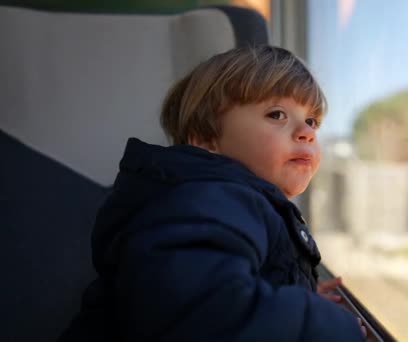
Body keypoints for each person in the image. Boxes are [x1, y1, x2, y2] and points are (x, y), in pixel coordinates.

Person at [59, 46, 366, 341]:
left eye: (312, 121)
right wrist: (326, 325)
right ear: (206, 139)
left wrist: (297, 291)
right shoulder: (209, 200)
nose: (307, 132)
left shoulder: (230, 202)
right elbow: (201, 312)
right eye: (277, 115)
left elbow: (227, 274)